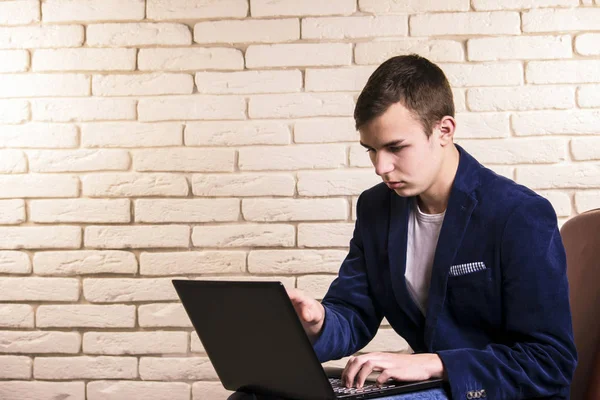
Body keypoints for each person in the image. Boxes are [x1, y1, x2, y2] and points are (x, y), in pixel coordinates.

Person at [230, 54, 577, 400]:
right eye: (371, 150)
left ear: (444, 130)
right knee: (252, 397)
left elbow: (550, 361)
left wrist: (436, 364)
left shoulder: (518, 214)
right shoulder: (376, 208)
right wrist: (319, 321)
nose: (381, 166)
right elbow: (353, 312)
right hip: (428, 387)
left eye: (395, 148)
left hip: (489, 391)